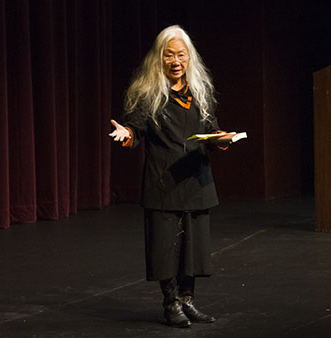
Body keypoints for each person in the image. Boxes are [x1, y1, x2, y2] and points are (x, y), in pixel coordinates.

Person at [109, 25, 229, 328]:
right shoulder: (149, 95)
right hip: (164, 181)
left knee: (193, 249)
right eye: (169, 55)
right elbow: (135, 128)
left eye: (181, 55)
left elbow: (211, 128)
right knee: (166, 248)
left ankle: (188, 301)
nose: (176, 61)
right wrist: (126, 134)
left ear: (189, 58)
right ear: (159, 59)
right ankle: (171, 303)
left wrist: (222, 138)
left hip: (196, 179)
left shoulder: (198, 92)